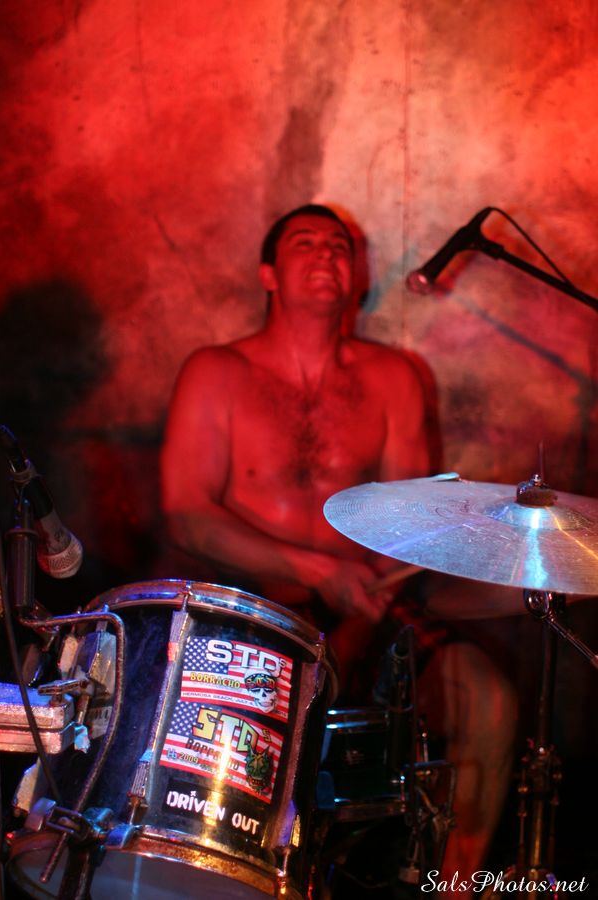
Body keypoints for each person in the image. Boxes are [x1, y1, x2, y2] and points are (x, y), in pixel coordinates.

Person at [161, 204, 517, 892]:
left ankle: (452, 885)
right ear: (268, 273)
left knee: (488, 700)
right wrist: (314, 570)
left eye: (339, 246)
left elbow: (411, 519)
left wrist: (353, 623)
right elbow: (187, 517)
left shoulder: (394, 377)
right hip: (250, 605)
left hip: (369, 604)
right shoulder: (217, 371)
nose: (326, 254)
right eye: (305, 242)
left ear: (356, 277)